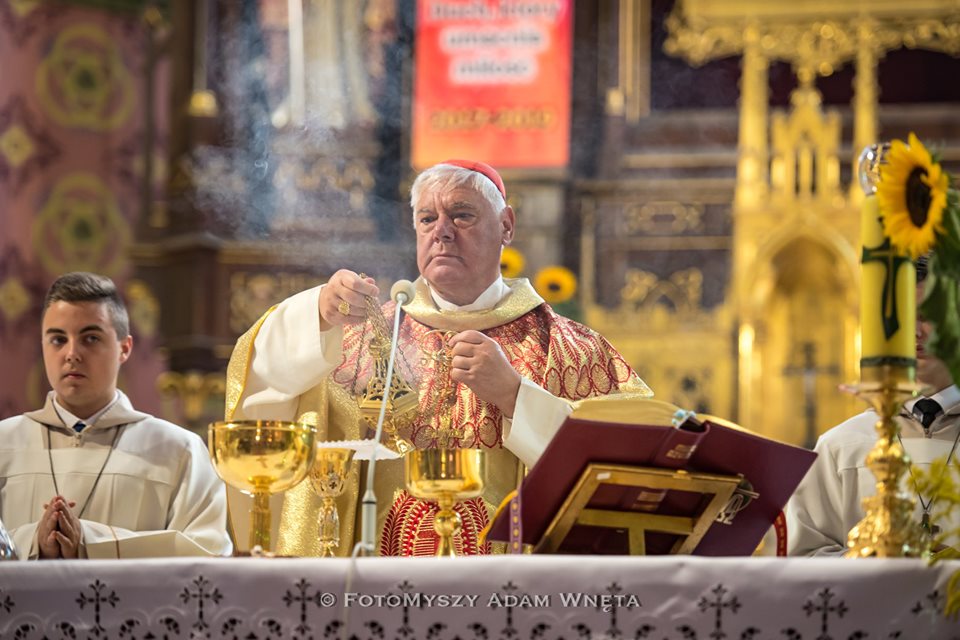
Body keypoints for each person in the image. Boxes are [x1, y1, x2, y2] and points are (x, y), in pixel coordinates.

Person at [226, 159, 652, 556]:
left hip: (513, 595)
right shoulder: (360, 338)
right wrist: (317, 315)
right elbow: (261, 389)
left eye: (462, 215)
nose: (442, 232)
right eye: (427, 219)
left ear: (506, 226)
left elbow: (636, 466)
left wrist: (516, 397)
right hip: (376, 591)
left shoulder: (569, 347)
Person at [0, 272, 232, 559]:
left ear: (124, 348)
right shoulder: (4, 443)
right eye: (58, 340)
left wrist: (90, 542)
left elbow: (208, 553)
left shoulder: (179, 450)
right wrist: (34, 541)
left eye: (90, 338)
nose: (72, 354)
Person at [786, 257, 960, 555]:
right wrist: (874, 561)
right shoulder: (840, 446)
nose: (915, 332)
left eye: (929, 315)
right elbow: (803, 561)